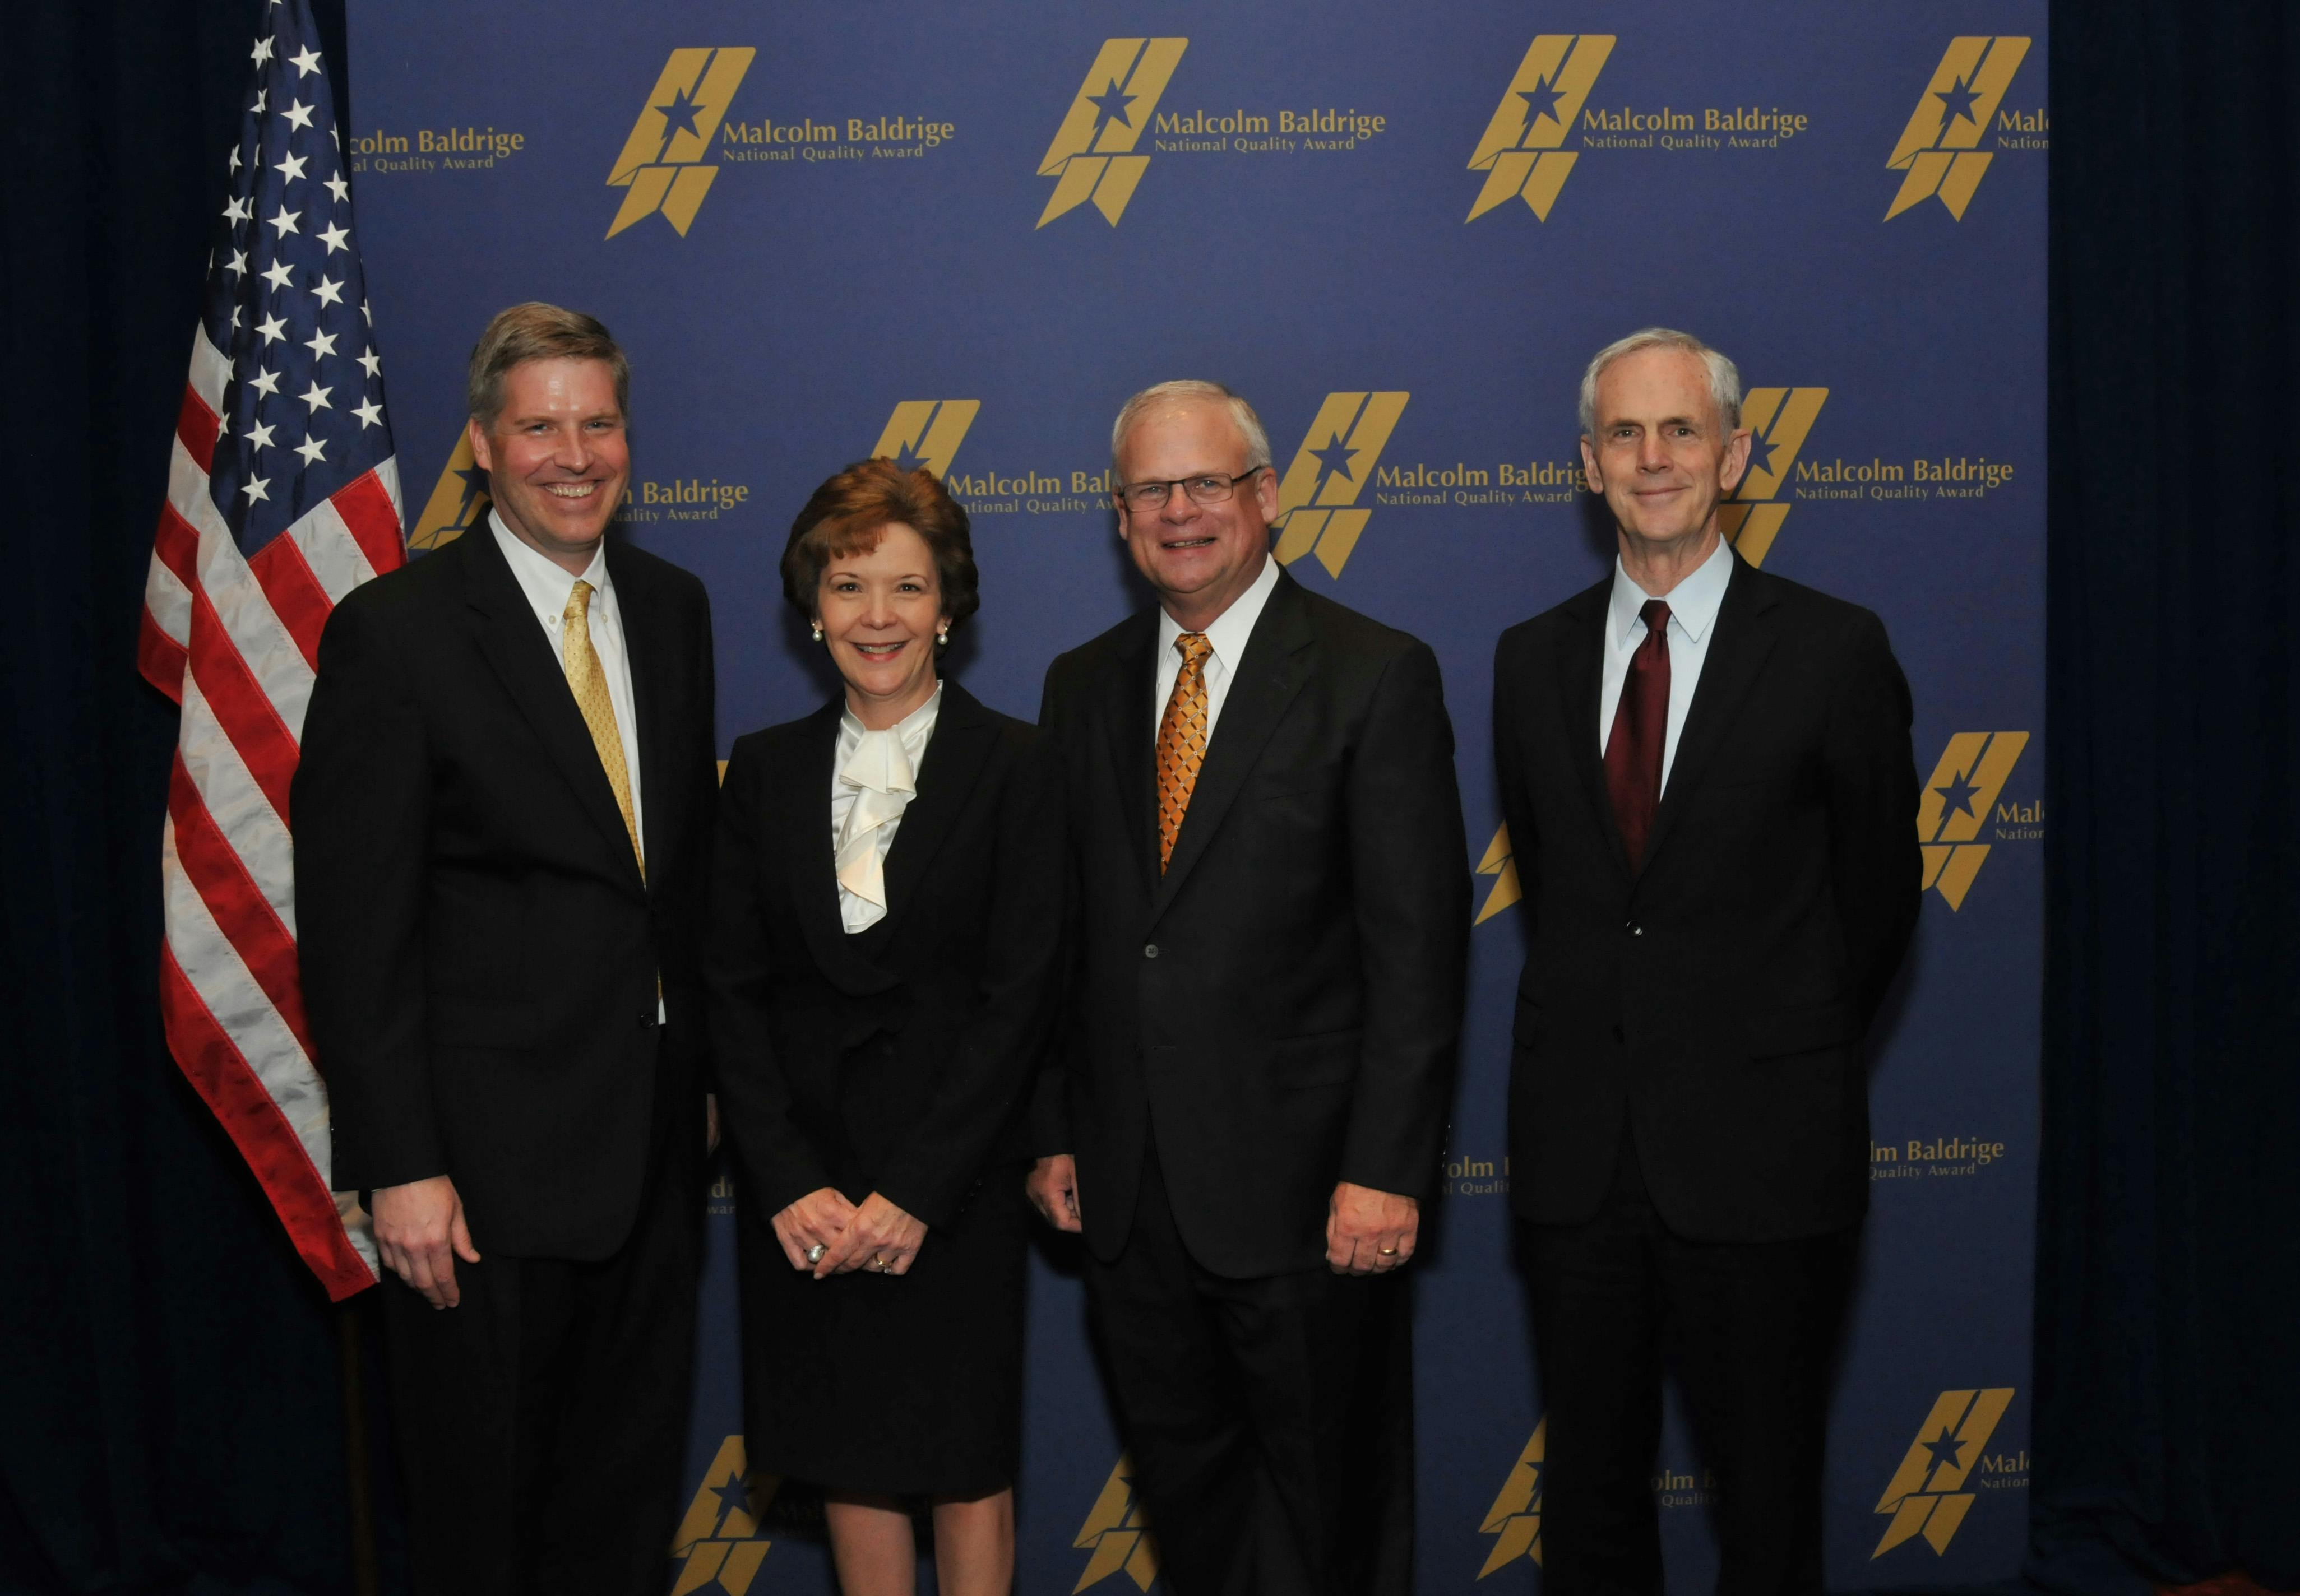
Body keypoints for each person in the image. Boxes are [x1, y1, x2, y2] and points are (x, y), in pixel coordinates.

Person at [291, 303, 718, 1594]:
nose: (572, 452)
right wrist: (400, 1167)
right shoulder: (398, 631)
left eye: (597, 422)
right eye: (539, 425)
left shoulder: (672, 607)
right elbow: (356, 929)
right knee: (485, 1516)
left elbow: (674, 882)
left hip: (649, 1151)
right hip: (476, 1177)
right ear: (482, 444)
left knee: (623, 1497)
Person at [1491, 328, 1923, 1594]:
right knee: (1588, 1508)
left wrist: (1762, 1040)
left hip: (1765, 1158)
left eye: (1680, 429)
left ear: (1735, 453)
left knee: (1768, 1508)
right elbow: (1572, 902)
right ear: (1586, 463)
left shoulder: (1835, 650)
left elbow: (1877, 904)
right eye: (1623, 434)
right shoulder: (1530, 660)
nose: (1652, 456)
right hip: (1579, 1165)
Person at [1028, 380, 1469, 1595]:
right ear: (1119, 518)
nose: (1178, 513)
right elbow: (1063, 941)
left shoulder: (1374, 674)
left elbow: (1416, 955)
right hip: (1129, 1197)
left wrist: (1383, 1168)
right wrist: (1056, 1127)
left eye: (1204, 483)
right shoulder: (1080, 686)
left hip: (1312, 1196)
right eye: (1149, 491)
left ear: (1265, 496)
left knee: (1330, 1511)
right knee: (1191, 1508)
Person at [706, 460, 1065, 1596]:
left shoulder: (1017, 764)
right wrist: (783, 1180)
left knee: (961, 1466)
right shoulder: (760, 771)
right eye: (849, 584)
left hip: (949, 1188)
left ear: (947, 608)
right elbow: (730, 988)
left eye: (905, 588)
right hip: (806, 1192)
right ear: (812, 607)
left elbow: (1022, 995)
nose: (876, 617)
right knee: (848, 1460)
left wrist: (917, 1189)